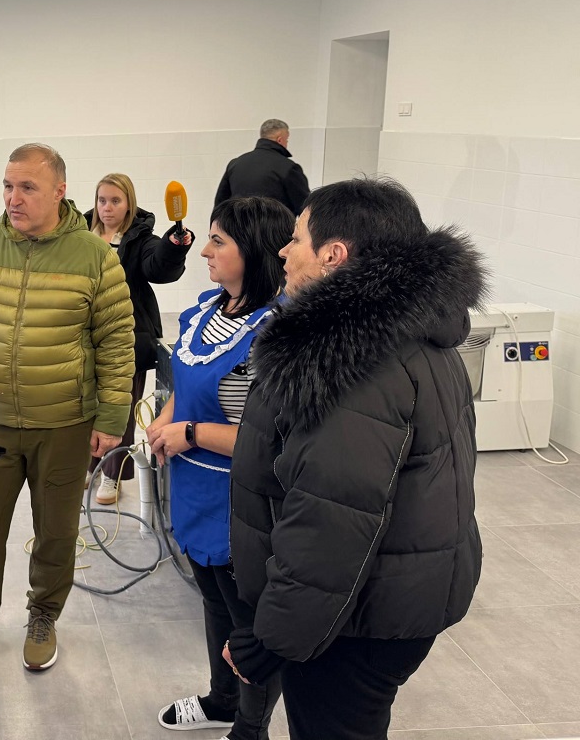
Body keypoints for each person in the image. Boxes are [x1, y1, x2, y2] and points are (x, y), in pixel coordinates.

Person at [225, 178, 485, 740]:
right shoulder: (417, 328)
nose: (283, 251)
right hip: (399, 595)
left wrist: (274, 639)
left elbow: (333, 520)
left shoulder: (350, 360)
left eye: (297, 238)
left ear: (333, 255)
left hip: (354, 621)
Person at [0, 143, 134, 678]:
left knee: (56, 531)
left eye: (27, 187)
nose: (13, 198)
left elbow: (118, 342)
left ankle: (44, 615)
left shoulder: (95, 257)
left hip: (66, 423)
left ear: (59, 191)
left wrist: (111, 419)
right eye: (8, 186)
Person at [146, 197, 293, 739]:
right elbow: (185, 385)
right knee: (213, 601)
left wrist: (189, 434)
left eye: (218, 241)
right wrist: (166, 420)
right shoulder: (209, 311)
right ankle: (222, 700)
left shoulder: (275, 334)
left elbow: (271, 442)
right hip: (194, 491)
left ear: (254, 252)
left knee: (249, 624)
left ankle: (250, 729)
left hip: (243, 502)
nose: (204, 251)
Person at [84, 173, 192, 505]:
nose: (107, 207)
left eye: (115, 201)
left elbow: (158, 266)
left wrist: (174, 246)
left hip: (127, 337)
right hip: (86, 336)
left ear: (129, 204)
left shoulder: (140, 237)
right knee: (86, 405)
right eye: (102, 200)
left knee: (120, 408)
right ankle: (90, 465)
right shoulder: (81, 233)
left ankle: (112, 474)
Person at [215, 120, 310, 216]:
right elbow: (304, 207)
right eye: (287, 140)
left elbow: (220, 204)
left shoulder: (235, 164)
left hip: (238, 224)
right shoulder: (288, 168)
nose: (287, 143)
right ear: (280, 140)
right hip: (275, 224)